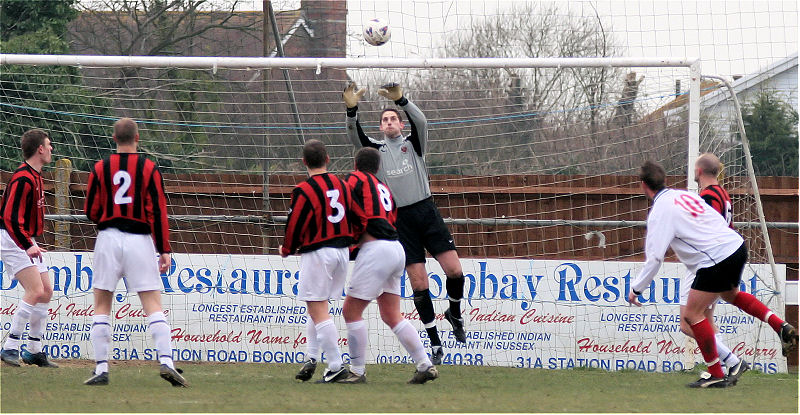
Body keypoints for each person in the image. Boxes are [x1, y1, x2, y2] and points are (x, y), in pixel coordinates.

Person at [627, 160, 798, 388]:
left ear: (642, 185)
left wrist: (637, 289)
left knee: (691, 315)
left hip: (714, 257)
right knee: (731, 295)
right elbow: (714, 220)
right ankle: (779, 325)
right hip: (735, 246)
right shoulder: (683, 196)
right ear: (664, 180)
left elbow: (656, 257)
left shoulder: (660, 210)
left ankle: (716, 372)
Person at [344, 82, 466, 365]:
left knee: (455, 271)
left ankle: (454, 312)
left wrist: (402, 101)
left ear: (400, 123)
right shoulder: (375, 151)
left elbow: (421, 121)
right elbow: (354, 136)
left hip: (427, 211)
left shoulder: (414, 144)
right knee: (419, 283)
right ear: (381, 127)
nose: (389, 122)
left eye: (392, 119)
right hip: (401, 220)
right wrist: (352, 110)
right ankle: (435, 344)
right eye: (384, 120)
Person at [83, 118, 187, 387]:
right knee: (152, 303)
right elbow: (158, 210)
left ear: (114, 139)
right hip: (139, 239)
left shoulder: (100, 168)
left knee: (102, 303)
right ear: (137, 138)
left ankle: (101, 368)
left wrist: (107, 220)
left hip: (108, 237)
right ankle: (166, 362)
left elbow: (90, 210)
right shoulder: (149, 167)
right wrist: (164, 248)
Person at [337, 147, 438, 384]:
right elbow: (391, 218)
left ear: (355, 164)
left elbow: (344, 209)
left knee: (351, 311)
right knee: (391, 314)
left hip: (376, 250)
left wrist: (347, 241)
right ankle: (425, 364)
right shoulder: (385, 189)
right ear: (378, 168)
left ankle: (357, 371)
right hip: (396, 248)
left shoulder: (354, 179)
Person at [280, 139, 352, 384]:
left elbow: (295, 224)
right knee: (318, 306)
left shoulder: (304, 189)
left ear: (304, 162)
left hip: (319, 252)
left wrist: (287, 248)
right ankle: (312, 357)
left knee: (317, 308)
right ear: (327, 159)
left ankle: (335, 365)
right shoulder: (342, 184)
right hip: (342, 252)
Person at [676, 153, 746, 380]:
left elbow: (706, 232)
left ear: (698, 172)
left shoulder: (707, 197)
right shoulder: (723, 194)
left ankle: (732, 362)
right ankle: (723, 367)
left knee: (688, 323)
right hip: (719, 260)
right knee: (707, 321)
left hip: (704, 263)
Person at [0, 129, 58, 368]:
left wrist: (31, 241)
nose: (52, 148)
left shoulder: (36, 175)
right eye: (49, 144)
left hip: (24, 238)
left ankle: (34, 350)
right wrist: (27, 245)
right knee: (34, 290)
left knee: (46, 291)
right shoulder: (23, 178)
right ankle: (10, 347)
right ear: (40, 149)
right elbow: (9, 217)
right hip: (11, 238)